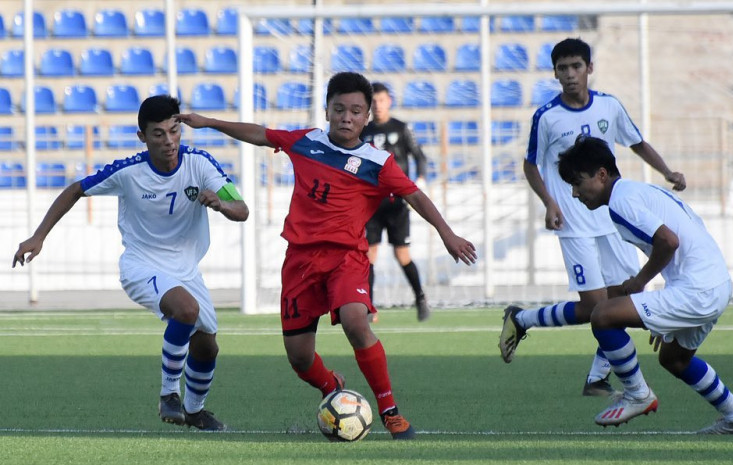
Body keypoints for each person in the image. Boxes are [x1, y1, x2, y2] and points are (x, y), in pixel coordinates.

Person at [176, 72, 477, 440]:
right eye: (339, 109)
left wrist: (447, 234)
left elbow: (416, 196)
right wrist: (209, 123)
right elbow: (260, 133)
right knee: (300, 359)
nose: (346, 117)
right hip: (300, 262)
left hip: (346, 259)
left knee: (355, 321)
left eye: (355, 111)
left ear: (367, 117)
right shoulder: (306, 141)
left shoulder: (377, 163)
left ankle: (390, 411)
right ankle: (332, 386)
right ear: (327, 110)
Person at [12, 95, 248, 431]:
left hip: (186, 270)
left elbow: (241, 208)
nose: (169, 141)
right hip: (142, 265)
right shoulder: (128, 172)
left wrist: (223, 206)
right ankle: (168, 395)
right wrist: (38, 236)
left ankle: (195, 411)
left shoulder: (201, 165)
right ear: (142, 137)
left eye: (174, 130)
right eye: (158, 134)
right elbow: (75, 190)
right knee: (186, 310)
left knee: (207, 345)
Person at [499, 37, 687, 397]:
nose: (570, 74)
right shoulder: (547, 116)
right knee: (593, 307)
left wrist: (666, 171)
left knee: (621, 302)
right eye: (563, 68)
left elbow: (637, 142)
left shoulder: (609, 107)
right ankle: (521, 319)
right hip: (574, 223)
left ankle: (596, 378)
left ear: (589, 68)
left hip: (611, 220)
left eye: (576, 66)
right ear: (554, 73)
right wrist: (550, 203)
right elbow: (530, 164)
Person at [556, 135, 733, 433]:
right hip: (715, 283)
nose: (574, 194)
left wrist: (640, 282)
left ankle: (638, 394)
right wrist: (669, 304)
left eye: (577, 182)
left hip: (697, 290)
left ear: (601, 174)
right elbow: (687, 233)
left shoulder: (621, 202)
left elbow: (668, 241)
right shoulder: (640, 191)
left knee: (602, 315)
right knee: (674, 359)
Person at [361, 82, 430, 322]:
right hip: (371, 204)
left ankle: (420, 297)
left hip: (398, 203)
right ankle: (368, 305)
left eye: (382, 100)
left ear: (389, 101)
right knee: (368, 255)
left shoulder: (401, 128)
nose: (378, 106)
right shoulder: (364, 131)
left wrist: (419, 179)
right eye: (374, 101)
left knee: (402, 255)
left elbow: (419, 156)